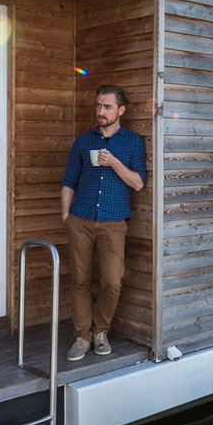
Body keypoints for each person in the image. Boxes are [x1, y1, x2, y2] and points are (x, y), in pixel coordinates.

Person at [61, 85, 147, 361]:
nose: (101, 111)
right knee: (80, 280)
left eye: (107, 107)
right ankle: (82, 336)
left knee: (112, 282)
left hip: (113, 222)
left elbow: (138, 183)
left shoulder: (133, 142)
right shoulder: (83, 141)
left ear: (121, 110)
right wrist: (67, 216)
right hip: (81, 219)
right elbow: (68, 181)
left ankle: (101, 332)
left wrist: (114, 163)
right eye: (99, 105)